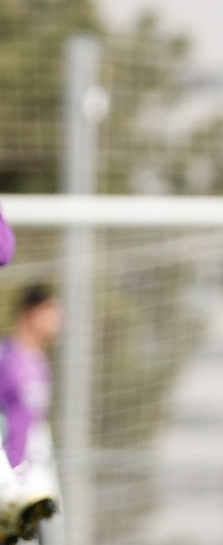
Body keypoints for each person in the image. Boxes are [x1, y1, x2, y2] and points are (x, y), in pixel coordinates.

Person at [0, 211, 59, 545]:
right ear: (31, 312)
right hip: (11, 487)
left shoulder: (39, 363)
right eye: (52, 311)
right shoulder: (8, 362)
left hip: (30, 485)